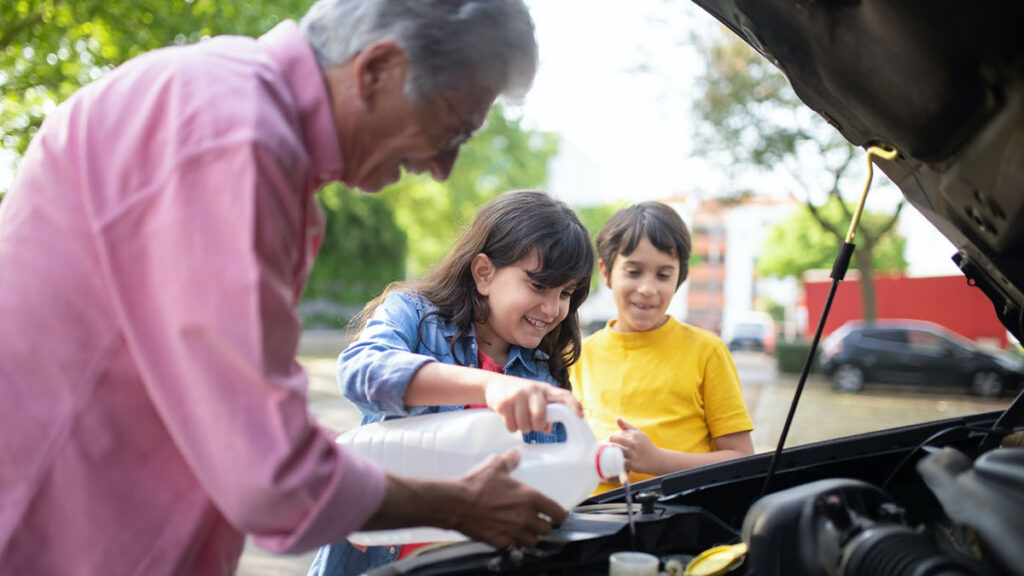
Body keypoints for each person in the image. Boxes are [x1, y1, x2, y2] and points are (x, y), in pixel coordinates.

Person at [0, 1, 568, 574]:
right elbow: (273, 475)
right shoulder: (233, 137)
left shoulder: (234, 114)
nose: (444, 167)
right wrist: (460, 506)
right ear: (378, 69)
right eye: (451, 129)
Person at [309, 189, 594, 574]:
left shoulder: (543, 372)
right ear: (484, 273)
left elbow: (545, 485)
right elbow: (363, 369)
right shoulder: (414, 314)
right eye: (539, 286)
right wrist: (488, 386)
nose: (553, 308)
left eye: (567, 293)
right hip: (375, 555)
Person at [569, 202, 754, 493]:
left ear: (680, 277)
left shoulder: (707, 351)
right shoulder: (578, 356)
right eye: (633, 271)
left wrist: (655, 460)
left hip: (682, 518)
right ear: (605, 272)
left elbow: (741, 459)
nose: (647, 288)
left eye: (663, 275)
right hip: (595, 518)